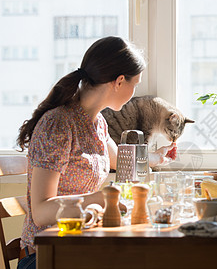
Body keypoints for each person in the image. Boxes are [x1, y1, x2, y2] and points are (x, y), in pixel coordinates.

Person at [15, 36, 175, 269]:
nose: (135, 92)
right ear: (119, 81)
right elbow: (40, 211)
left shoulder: (96, 122)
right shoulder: (58, 124)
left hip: (80, 247)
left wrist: (156, 157)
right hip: (45, 256)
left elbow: (121, 159)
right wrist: (100, 199)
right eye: (136, 84)